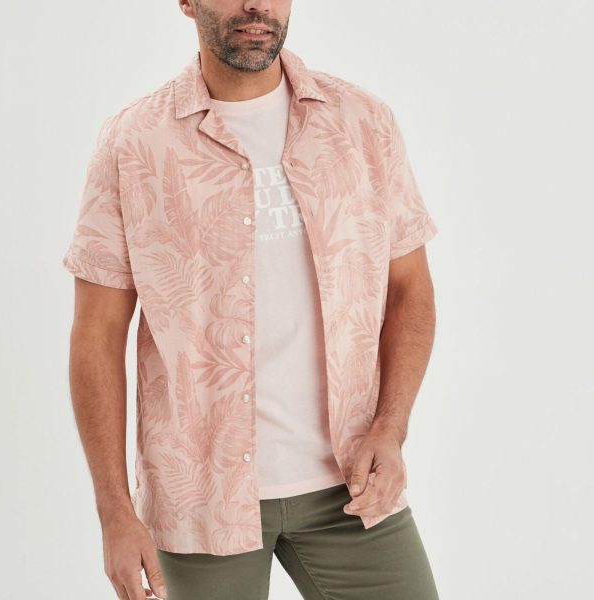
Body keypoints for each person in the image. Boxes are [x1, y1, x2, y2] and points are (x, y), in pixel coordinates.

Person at [62, 1, 440, 598]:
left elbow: (409, 289)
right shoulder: (134, 141)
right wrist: (115, 512)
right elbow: (97, 334)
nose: (256, 4)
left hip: (354, 488)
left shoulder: (363, 123)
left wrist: (390, 428)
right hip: (200, 502)